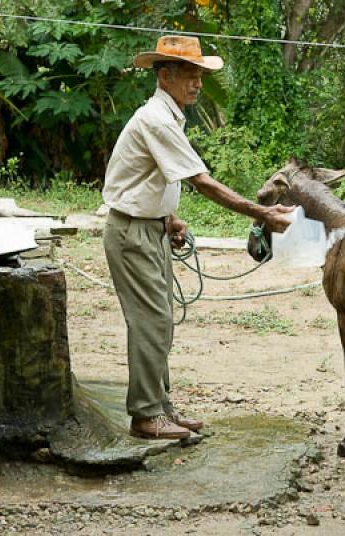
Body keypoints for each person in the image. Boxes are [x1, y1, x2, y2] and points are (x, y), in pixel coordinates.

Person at [102, 35, 293, 440]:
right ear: (166, 75)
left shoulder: (169, 116)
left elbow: (146, 176)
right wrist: (261, 212)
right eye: (191, 75)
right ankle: (145, 414)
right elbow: (201, 182)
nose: (199, 84)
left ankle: (159, 406)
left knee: (161, 320)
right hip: (131, 232)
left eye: (200, 77)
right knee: (151, 321)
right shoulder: (155, 118)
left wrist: (169, 217)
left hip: (149, 227)